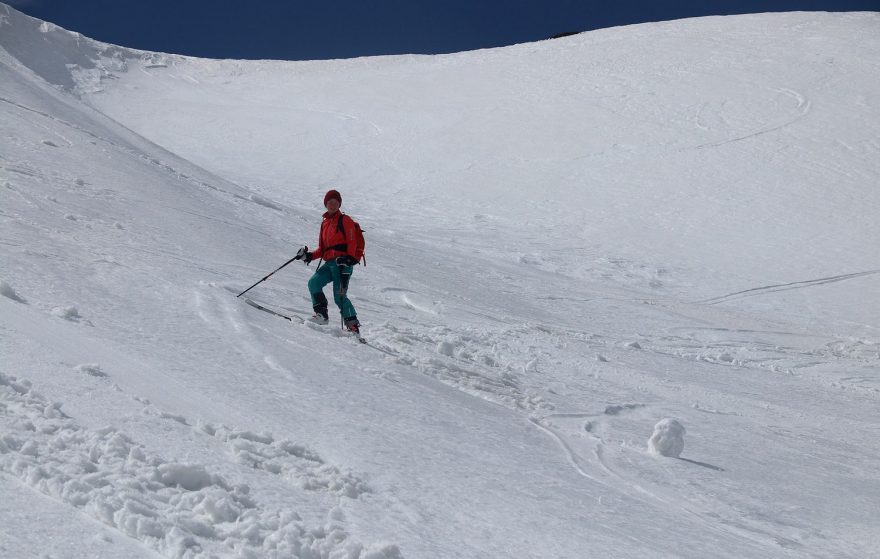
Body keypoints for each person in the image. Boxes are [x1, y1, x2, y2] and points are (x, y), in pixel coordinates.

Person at [299, 190, 360, 334]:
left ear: (339, 204)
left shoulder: (345, 220)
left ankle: (353, 327)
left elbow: (352, 242)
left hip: (342, 264)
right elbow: (323, 249)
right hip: (330, 264)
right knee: (314, 283)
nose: (332, 205)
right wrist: (308, 256)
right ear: (325, 204)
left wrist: (348, 259)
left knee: (339, 297)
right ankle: (322, 316)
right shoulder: (325, 223)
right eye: (329, 202)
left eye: (335, 202)